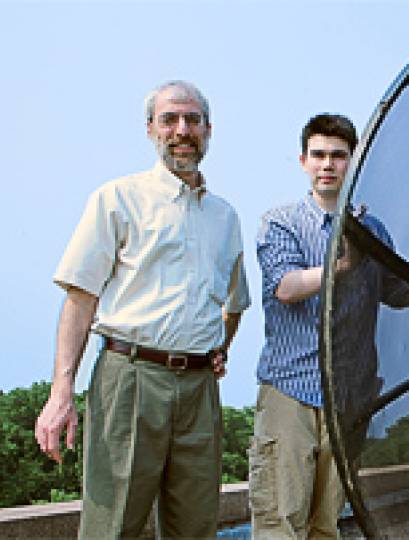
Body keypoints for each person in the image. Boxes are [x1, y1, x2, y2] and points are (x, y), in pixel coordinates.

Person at [250, 113, 409, 539]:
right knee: (281, 520)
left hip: (350, 396)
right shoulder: (281, 222)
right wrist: (343, 265)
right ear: (303, 161)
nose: (328, 165)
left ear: (353, 162)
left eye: (338, 156)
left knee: (325, 524)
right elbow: (286, 288)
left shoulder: (372, 230)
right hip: (292, 392)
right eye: (318, 155)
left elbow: (401, 292)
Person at [34, 80, 251, 538]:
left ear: (209, 129)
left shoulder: (225, 218)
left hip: (199, 390)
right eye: (169, 119)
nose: (182, 129)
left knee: (195, 529)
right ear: (150, 128)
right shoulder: (117, 199)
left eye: (193, 119)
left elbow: (235, 303)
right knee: (114, 527)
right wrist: (61, 393)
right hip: (130, 378)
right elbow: (80, 298)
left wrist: (221, 347)